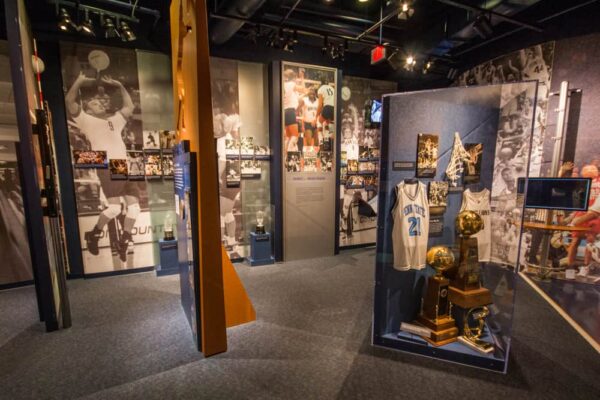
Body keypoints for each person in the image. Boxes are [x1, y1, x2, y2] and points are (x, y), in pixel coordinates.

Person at [66, 72, 139, 263]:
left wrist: (119, 85)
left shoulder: (114, 119)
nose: (99, 103)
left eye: (100, 102)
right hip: (106, 164)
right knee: (114, 209)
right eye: (94, 103)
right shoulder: (85, 120)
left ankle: (123, 241)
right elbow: (69, 101)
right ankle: (94, 234)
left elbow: (130, 106)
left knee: (135, 209)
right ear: (87, 108)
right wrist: (80, 81)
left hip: (121, 165)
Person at [283, 69, 305, 158]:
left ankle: (285, 156)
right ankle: (290, 156)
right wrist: (302, 78)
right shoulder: (291, 85)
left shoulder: (284, 85)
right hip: (290, 111)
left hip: (284, 111)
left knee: (288, 137)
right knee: (295, 136)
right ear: (294, 77)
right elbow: (303, 90)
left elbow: (299, 97)